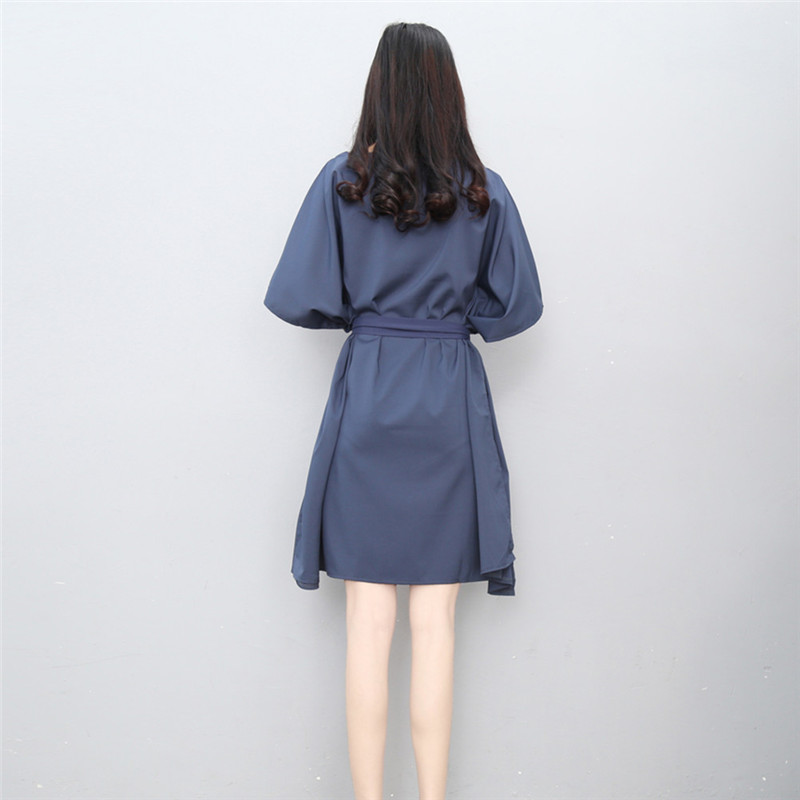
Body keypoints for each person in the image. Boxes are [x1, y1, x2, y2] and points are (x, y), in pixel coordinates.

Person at [263, 21, 544, 800]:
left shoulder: (343, 183)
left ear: (378, 87)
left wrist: (374, 318)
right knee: (436, 626)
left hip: (371, 397)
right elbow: (518, 305)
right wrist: (448, 322)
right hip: (447, 400)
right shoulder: (482, 189)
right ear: (448, 90)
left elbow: (300, 296)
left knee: (367, 624)